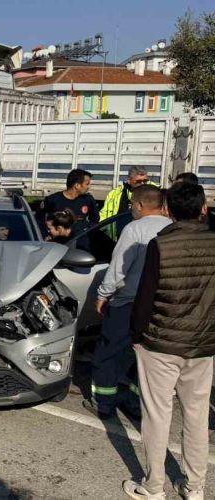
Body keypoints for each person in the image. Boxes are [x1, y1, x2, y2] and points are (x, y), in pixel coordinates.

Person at [123, 183, 215, 500]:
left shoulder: (160, 244)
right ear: (203, 208)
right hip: (202, 344)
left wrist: (136, 336)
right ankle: (195, 488)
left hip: (159, 343)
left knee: (157, 415)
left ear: (168, 211)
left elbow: (145, 297)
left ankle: (153, 486)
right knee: (196, 416)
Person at [83, 185, 171, 420]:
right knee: (147, 356)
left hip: (128, 303)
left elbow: (118, 269)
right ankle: (136, 403)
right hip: (161, 305)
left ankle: (103, 403)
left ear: (141, 205)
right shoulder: (172, 229)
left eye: (132, 204)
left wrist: (103, 295)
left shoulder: (134, 230)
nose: (131, 208)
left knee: (109, 352)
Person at [100, 166, 152, 239]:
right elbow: (104, 215)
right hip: (119, 236)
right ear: (129, 180)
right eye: (139, 181)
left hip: (144, 237)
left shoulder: (153, 192)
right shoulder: (115, 193)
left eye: (145, 181)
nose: (142, 184)